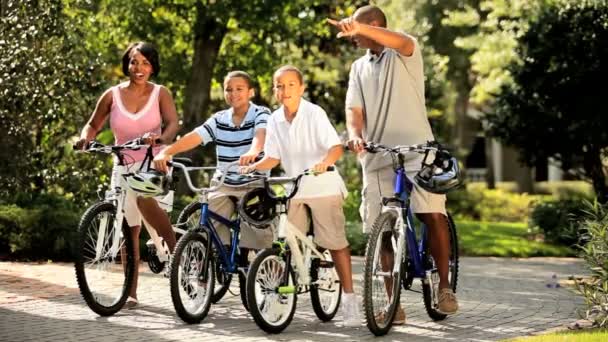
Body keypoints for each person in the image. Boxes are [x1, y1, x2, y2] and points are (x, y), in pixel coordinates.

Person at [328, 5, 459, 323]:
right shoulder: (359, 67)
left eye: (357, 29)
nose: (350, 37)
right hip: (376, 155)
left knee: (431, 213)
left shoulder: (405, 51)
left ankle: (444, 287)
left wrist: (359, 27)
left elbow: (399, 41)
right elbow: (354, 111)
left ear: (373, 25)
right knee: (380, 228)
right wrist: (356, 136)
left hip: (417, 151)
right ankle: (392, 304)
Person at [240, 65, 360, 327]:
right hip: (295, 187)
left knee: (335, 241)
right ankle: (280, 295)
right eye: (279, 85)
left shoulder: (314, 113)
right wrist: (253, 165)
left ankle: (350, 301)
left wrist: (325, 163)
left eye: (290, 85)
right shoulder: (273, 119)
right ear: (274, 90)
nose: (284, 90)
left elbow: (335, 147)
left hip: (323, 185)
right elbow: (273, 156)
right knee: (284, 239)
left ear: (301, 88)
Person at [76, 42, 180, 309]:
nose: (139, 68)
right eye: (135, 62)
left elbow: (172, 124)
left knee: (148, 205)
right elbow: (93, 124)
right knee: (128, 230)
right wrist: (85, 138)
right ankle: (130, 292)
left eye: (145, 62)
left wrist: (162, 140)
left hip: (153, 162)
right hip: (122, 165)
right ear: (127, 64)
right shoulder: (112, 95)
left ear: (153, 66)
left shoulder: (160, 93)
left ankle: (181, 255)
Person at [153, 70, 273, 251]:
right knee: (211, 230)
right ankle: (213, 264)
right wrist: (167, 152)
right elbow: (195, 136)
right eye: (228, 89)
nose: (233, 94)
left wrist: (254, 151)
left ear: (251, 92)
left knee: (259, 237)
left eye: (239, 89)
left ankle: (264, 268)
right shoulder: (219, 119)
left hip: (253, 182)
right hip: (223, 183)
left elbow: (260, 135)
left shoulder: (261, 113)